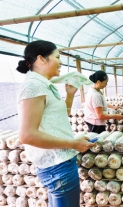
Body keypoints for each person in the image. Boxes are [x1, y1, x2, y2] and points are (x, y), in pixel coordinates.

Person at [16, 40, 96, 207]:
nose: (60, 62)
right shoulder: (34, 86)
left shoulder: (44, 85)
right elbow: (27, 135)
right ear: (41, 59)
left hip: (60, 164)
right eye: (57, 57)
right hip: (57, 166)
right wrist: (73, 144)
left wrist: (70, 95)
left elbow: (57, 117)